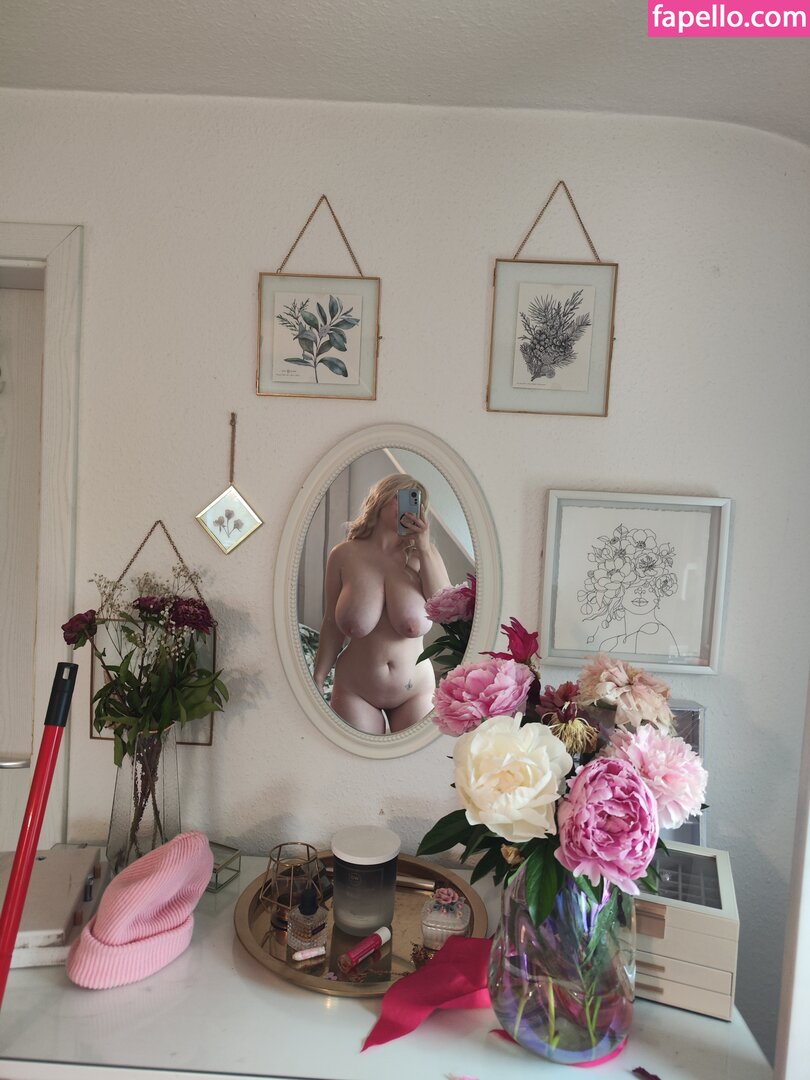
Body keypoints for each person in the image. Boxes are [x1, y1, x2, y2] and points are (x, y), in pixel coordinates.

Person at [312, 474, 451, 734]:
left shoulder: (424, 557)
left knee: (411, 761)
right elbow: (331, 623)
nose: (410, 507)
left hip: (415, 692)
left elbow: (446, 610)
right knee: (352, 759)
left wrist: (423, 548)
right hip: (355, 690)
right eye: (403, 497)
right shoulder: (344, 555)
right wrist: (318, 678)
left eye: (416, 501)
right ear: (380, 499)